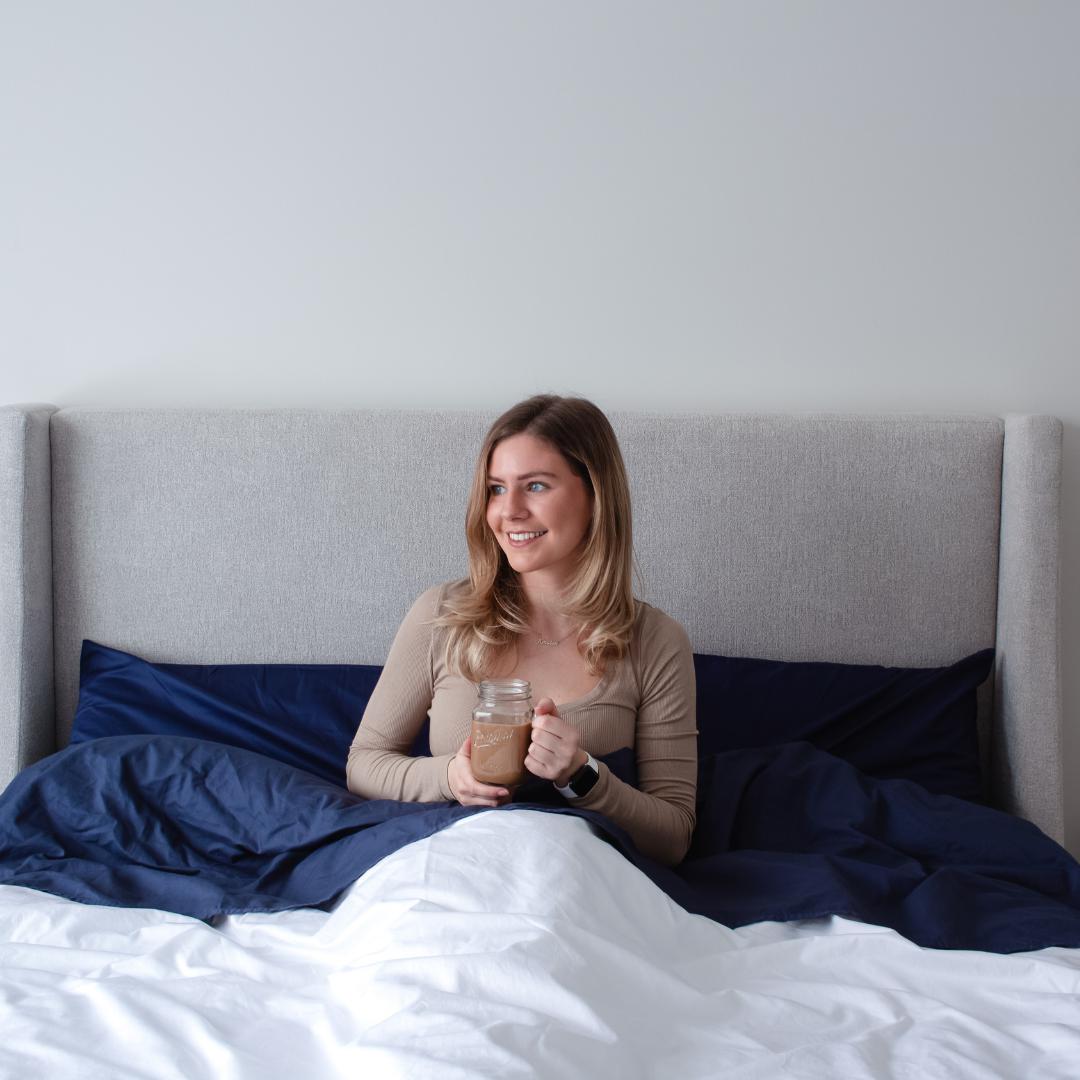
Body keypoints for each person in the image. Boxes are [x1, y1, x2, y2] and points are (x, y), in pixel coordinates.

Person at [346, 394, 697, 866]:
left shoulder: (656, 641)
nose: (508, 511)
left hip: (579, 885)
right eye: (495, 488)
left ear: (595, 495)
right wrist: (451, 778)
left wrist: (582, 775)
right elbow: (363, 764)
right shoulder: (442, 616)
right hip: (452, 870)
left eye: (535, 486)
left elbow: (674, 837)